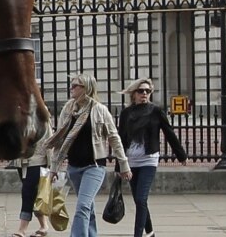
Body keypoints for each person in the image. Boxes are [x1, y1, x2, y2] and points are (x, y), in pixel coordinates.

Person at [45, 74, 132, 237]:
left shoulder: (99, 110)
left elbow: (114, 138)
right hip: (74, 167)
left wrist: (124, 165)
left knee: (82, 207)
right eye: (71, 85)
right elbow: (60, 140)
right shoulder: (68, 109)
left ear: (87, 88)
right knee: (88, 207)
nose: (71, 89)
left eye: (75, 86)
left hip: (94, 166)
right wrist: (53, 169)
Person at [118, 78, 188, 237]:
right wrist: (119, 166)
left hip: (148, 160)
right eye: (141, 91)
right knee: (138, 200)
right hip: (131, 162)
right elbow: (120, 139)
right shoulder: (126, 113)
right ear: (133, 94)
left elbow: (169, 133)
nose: (144, 94)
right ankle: (150, 232)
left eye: (147, 91)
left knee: (141, 199)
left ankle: (138, 235)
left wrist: (181, 155)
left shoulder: (155, 111)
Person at [6, 120, 54, 237]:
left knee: (27, 193)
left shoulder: (42, 118)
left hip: (37, 160)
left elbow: (49, 141)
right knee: (33, 195)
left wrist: (51, 164)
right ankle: (44, 226)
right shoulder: (16, 117)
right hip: (21, 161)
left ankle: (22, 229)